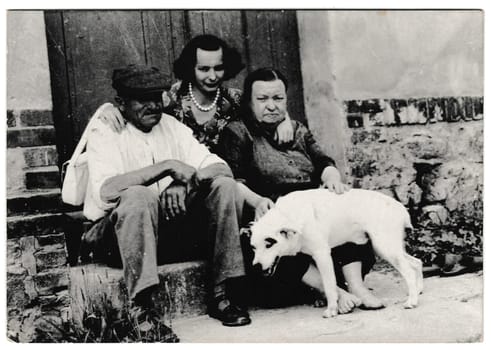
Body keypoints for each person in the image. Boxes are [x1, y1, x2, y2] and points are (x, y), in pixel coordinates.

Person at [82, 64, 251, 329]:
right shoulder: (105, 131)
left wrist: (183, 184)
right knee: (138, 195)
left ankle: (222, 294)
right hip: (116, 237)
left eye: (157, 96)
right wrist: (167, 167)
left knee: (223, 186)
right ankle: (141, 309)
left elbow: (221, 168)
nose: (153, 105)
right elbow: (107, 191)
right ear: (121, 103)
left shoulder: (171, 127)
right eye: (142, 99)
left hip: (165, 233)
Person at [216, 68, 384, 313]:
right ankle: (333, 291)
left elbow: (323, 162)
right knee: (276, 245)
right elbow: (233, 180)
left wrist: (333, 179)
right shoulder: (238, 133)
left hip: (312, 212)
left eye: (278, 99)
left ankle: (357, 287)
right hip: (272, 210)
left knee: (347, 214)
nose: (272, 106)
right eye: (262, 100)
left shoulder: (297, 129)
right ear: (249, 102)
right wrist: (257, 201)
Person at [98, 34, 295, 151]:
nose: (212, 76)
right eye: (204, 69)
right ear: (190, 68)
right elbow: (135, 110)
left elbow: (266, 107)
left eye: (218, 68)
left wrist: (285, 119)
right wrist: (108, 110)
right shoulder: (170, 97)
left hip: (227, 181)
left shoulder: (234, 98)